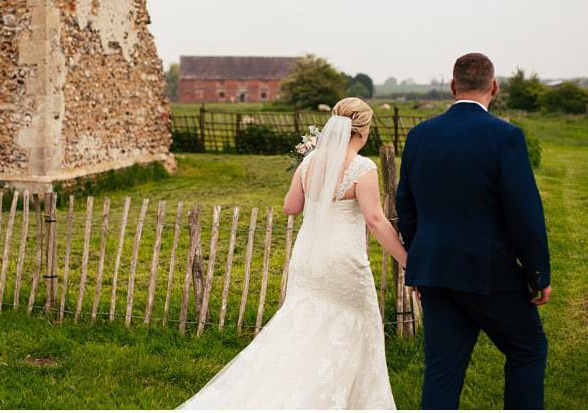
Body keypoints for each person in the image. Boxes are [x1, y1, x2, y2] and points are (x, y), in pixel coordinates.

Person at [180, 97, 407, 409]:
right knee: (353, 326)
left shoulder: (309, 162)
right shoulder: (363, 167)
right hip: (343, 261)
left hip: (307, 259)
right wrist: (406, 259)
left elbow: (290, 207)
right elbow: (375, 220)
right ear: (364, 131)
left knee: (300, 328)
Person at [396, 52, 551, 409]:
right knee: (528, 349)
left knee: (441, 372)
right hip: (489, 273)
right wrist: (537, 274)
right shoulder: (506, 136)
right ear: (494, 87)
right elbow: (524, 213)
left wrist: (418, 262)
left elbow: (406, 205)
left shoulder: (419, 135)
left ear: (453, 86)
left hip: (435, 272)